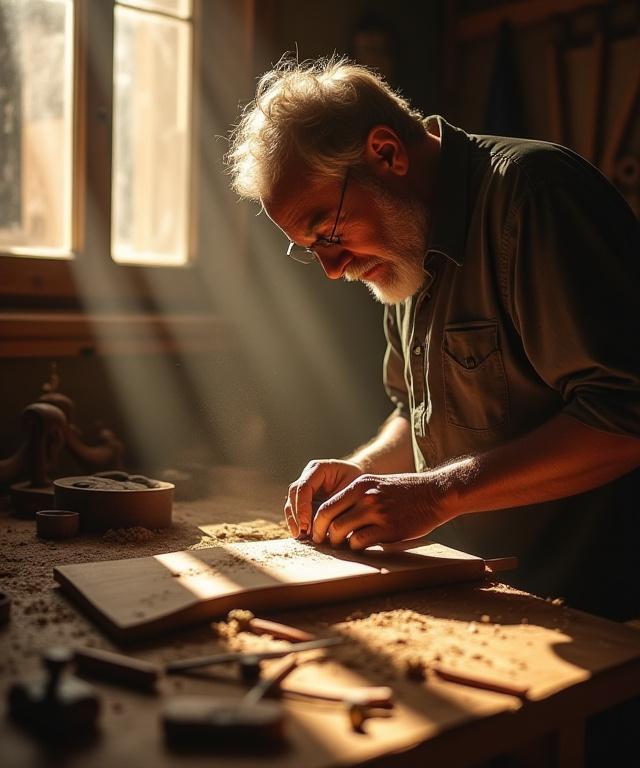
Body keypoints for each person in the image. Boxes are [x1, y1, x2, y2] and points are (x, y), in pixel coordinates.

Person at [227, 56, 640, 622]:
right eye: (311, 248)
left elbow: (625, 415)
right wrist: (366, 469)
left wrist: (431, 496)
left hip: (595, 605)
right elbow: (417, 411)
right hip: (485, 591)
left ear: (386, 153)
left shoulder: (534, 199)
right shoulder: (404, 248)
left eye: (328, 232)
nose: (331, 267)